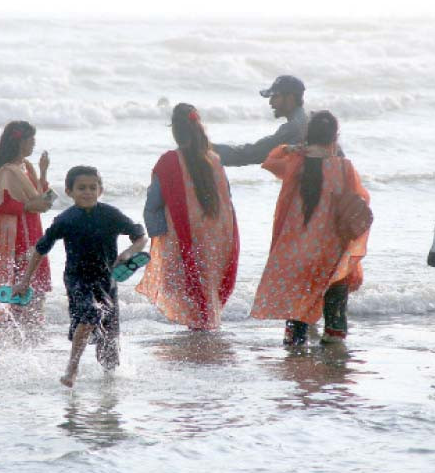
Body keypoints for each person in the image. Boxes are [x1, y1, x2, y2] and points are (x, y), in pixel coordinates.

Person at [14, 165, 147, 387]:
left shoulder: (110, 215)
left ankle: (108, 397)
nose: (87, 192)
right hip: (78, 280)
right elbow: (41, 249)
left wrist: (128, 252)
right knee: (89, 316)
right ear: (69, 192)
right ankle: (71, 369)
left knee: (109, 349)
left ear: (100, 190)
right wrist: (25, 281)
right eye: (81, 188)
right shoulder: (65, 219)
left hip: (107, 282)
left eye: (92, 188)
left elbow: (141, 238)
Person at [250, 111, 370, 344]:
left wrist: (289, 149)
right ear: (334, 137)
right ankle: (334, 345)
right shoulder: (344, 167)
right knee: (335, 297)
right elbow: (361, 200)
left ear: (308, 135)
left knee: (299, 303)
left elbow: (269, 161)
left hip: (297, 248)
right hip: (331, 248)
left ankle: (295, 342)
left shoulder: (295, 163)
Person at [136, 103, 239, 330]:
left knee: (190, 289)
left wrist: (157, 238)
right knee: (207, 290)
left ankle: (200, 337)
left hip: (184, 237)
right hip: (218, 236)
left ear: (175, 130)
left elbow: (153, 203)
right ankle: (205, 331)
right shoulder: (214, 159)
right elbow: (227, 199)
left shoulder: (169, 161)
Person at [0, 121, 53, 340]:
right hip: (18, 235)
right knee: (18, 287)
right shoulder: (7, 171)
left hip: (34, 229)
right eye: (31, 140)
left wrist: (44, 171)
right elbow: (2, 204)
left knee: (36, 292)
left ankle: (32, 333)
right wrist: (28, 207)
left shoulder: (27, 167)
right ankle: (14, 333)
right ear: (20, 142)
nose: (34, 144)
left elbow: (39, 196)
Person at [212, 75, 309, 167]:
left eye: (275, 96)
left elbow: (252, 154)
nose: (270, 102)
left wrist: (208, 149)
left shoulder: (293, 127)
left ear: (290, 98)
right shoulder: (306, 120)